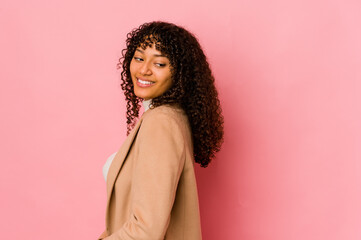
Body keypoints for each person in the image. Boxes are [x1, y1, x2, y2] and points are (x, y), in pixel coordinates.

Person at [98, 21, 224, 240]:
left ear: (180, 73)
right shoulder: (171, 116)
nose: (144, 69)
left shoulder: (161, 123)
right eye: (138, 58)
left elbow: (147, 230)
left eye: (159, 63)